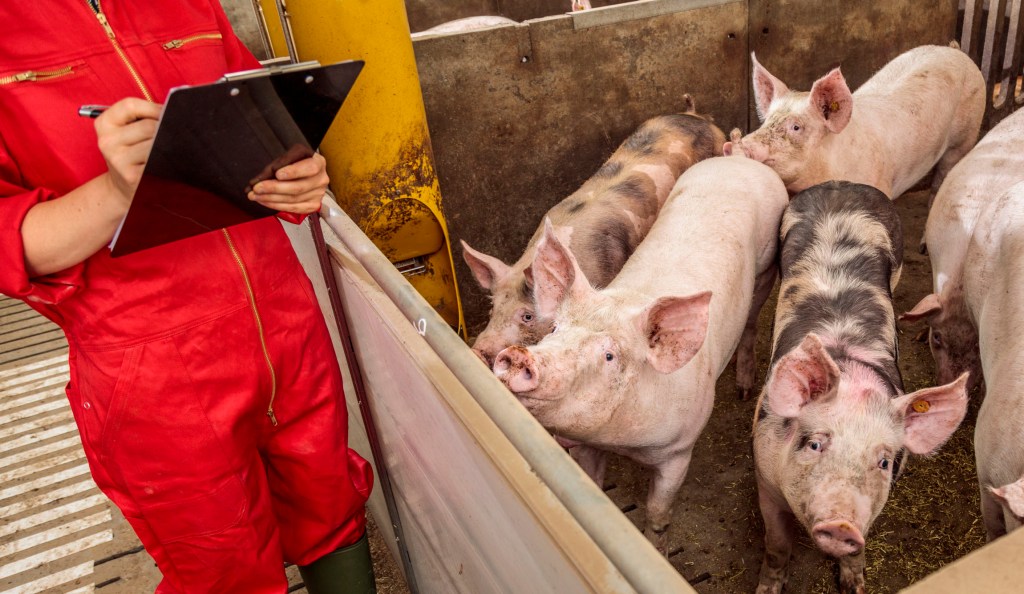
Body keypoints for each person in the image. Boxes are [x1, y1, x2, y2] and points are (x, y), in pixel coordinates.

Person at [0, 2, 375, 592]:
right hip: (153, 368)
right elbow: (9, 242)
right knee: (223, 566)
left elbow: (264, 126)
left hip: (282, 319)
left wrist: (299, 175)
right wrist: (118, 191)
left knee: (331, 505)